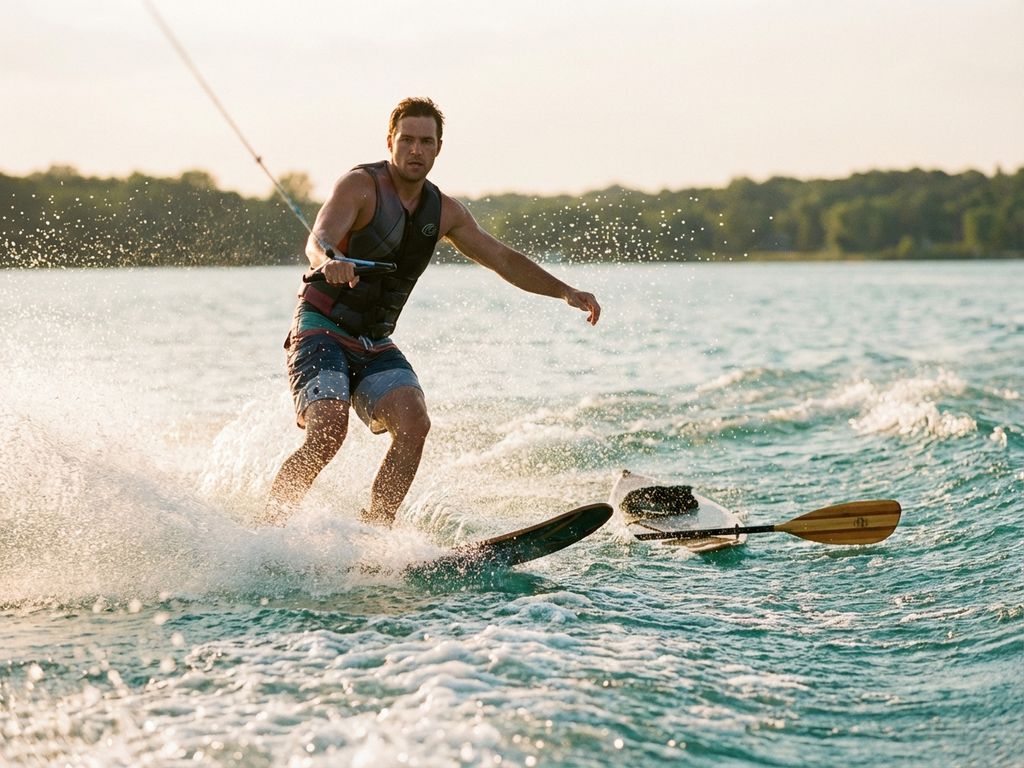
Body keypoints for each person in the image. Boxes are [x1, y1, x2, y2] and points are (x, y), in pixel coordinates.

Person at [265, 97, 601, 527]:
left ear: (439, 148)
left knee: (414, 423)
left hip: (373, 340)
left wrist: (564, 291)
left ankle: (375, 531)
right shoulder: (360, 186)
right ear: (391, 141)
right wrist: (328, 259)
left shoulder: (445, 212)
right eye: (407, 140)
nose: (416, 150)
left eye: (426, 142)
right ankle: (270, 529)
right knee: (328, 432)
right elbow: (321, 237)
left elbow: (503, 259)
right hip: (322, 327)